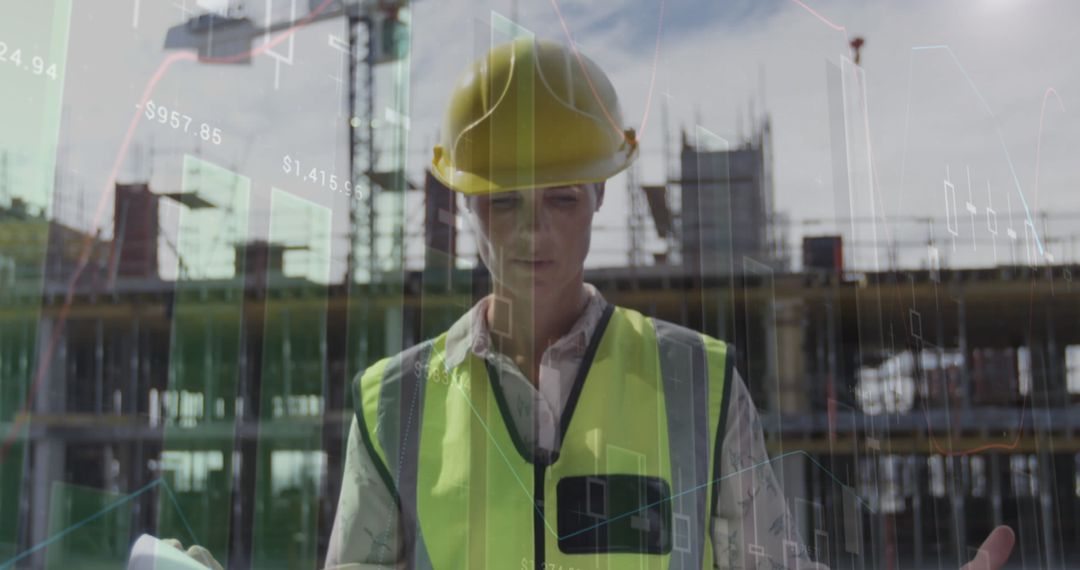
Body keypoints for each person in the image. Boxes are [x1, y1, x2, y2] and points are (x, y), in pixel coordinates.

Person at [166, 37, 1016, 570]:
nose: (533, 234)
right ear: (468, 208)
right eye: (506, 201)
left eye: (561, 200)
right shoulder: (395, 403)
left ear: (599, 200)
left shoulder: (697, 380)